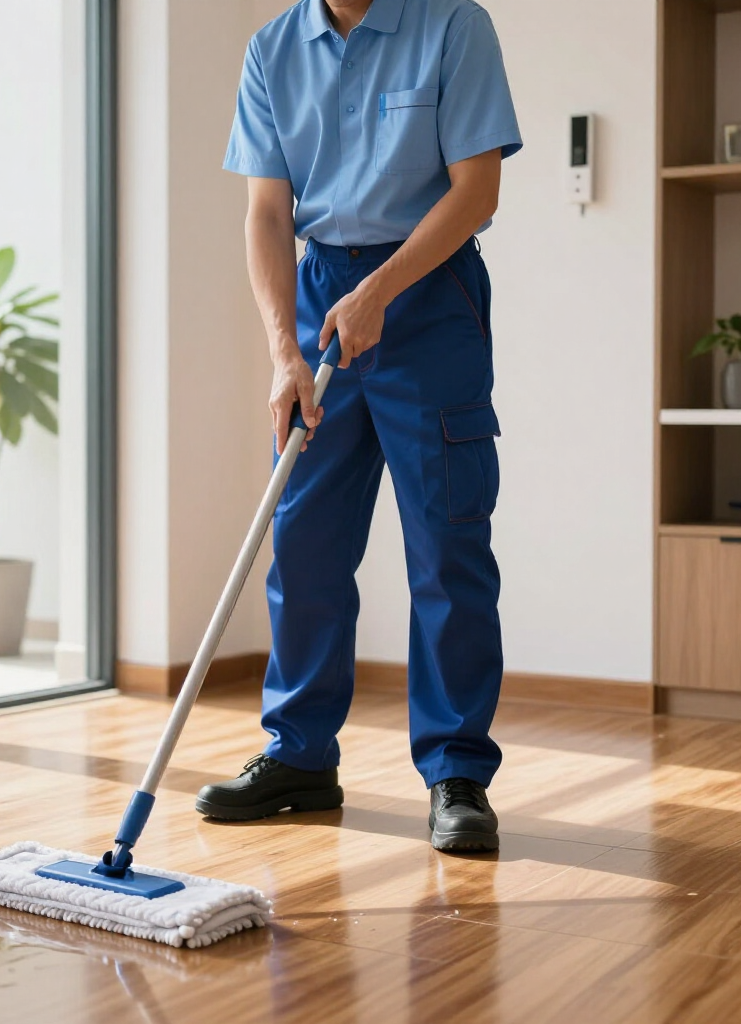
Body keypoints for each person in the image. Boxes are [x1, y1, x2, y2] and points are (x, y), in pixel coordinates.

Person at [195, 0, 522, 852]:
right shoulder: (273, 49)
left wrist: (382, 291)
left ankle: (456, 772)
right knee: (301, 539)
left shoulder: (454, 26)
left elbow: (477, 191)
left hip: (429, 295)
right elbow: (268, 212)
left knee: (447, 544)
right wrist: (282, 352)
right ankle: (299, 753)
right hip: (315, 299)